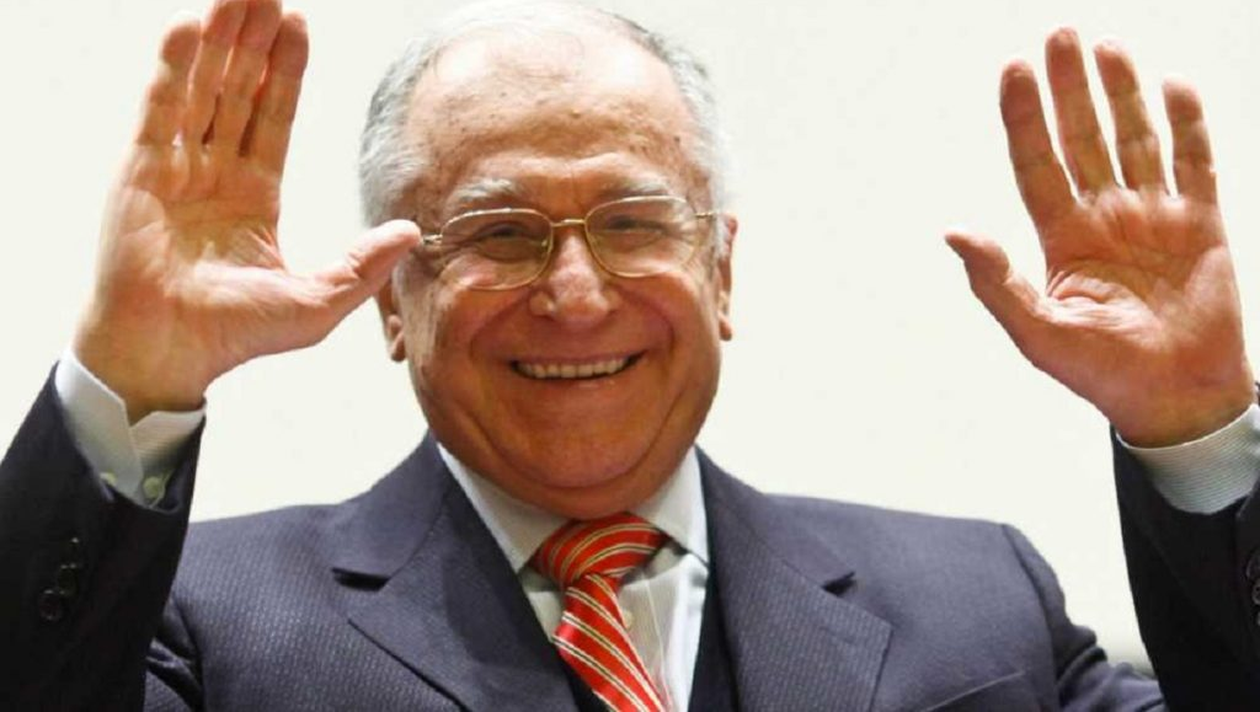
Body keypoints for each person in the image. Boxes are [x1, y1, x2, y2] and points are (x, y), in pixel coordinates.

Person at [2, 0, 1259, 709]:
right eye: (500, 232)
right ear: (393, 301)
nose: (574, 292)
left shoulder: (981, 604)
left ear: (721, 271)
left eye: (633, 223)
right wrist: (131, 382)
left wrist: (1197, 427)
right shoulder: (204, 621)